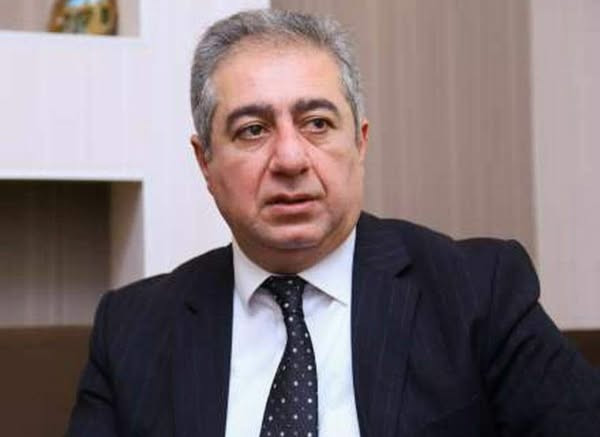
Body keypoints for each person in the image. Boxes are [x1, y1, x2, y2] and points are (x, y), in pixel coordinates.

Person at [67, 9, 600, 437]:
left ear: (360, 142)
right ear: (205, 161)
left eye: (317, 123)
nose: (290, 159)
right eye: (252, 130)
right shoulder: (132, 329)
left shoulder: (477, 291)